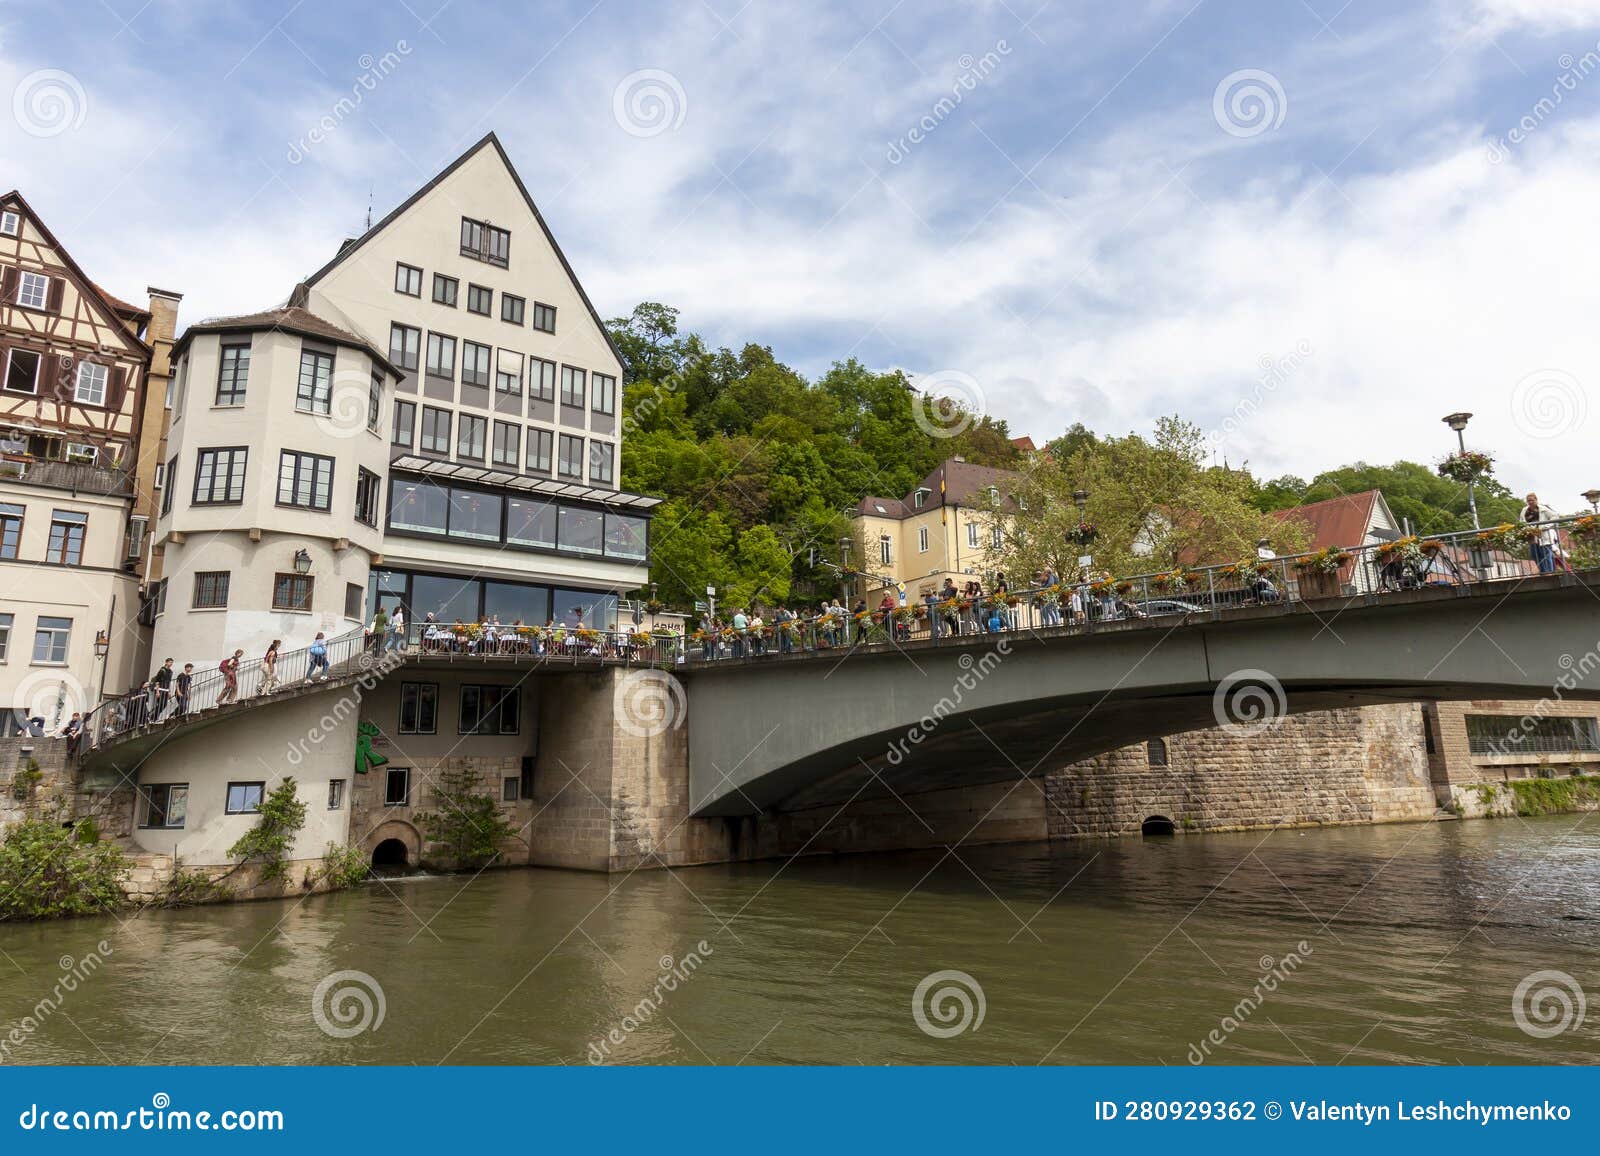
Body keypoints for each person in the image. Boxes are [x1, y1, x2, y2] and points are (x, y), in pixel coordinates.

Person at [1521, 493, 1557, 574]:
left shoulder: (1543, 509)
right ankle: (1543, 572)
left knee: (1546, 554)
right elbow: (1522, 521)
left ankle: (1549, 572)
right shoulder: (1524, 510)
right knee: (1535, 555)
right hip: (1532, 535)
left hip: (1543, 534)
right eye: (1528, 500)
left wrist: (1546, 526)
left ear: (1536, 500)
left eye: (1532, 500)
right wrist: (1525, 529)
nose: (1530, 502)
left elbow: (1555, 516)